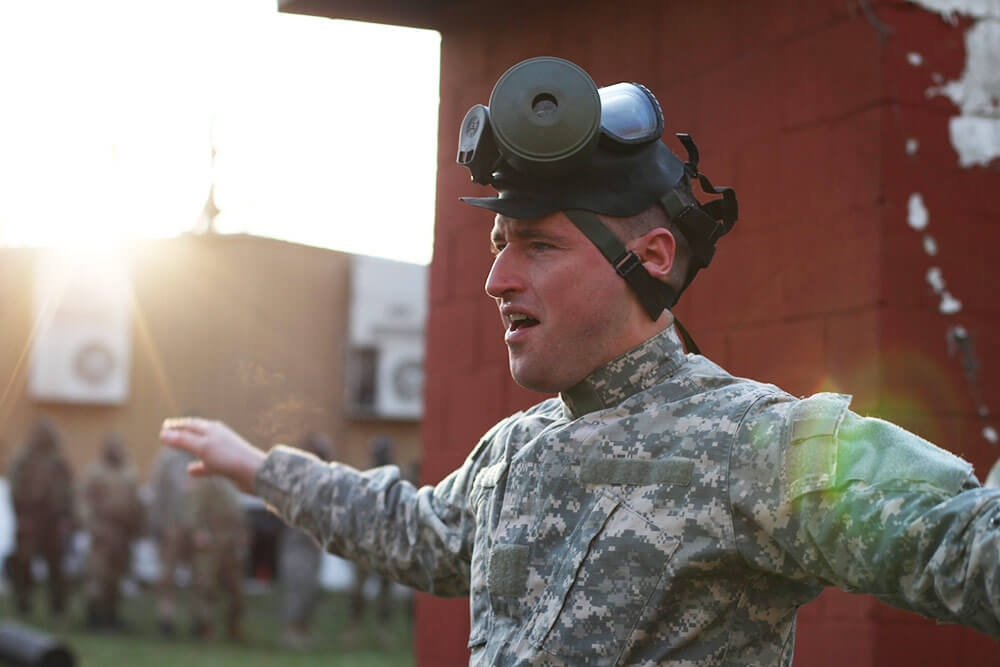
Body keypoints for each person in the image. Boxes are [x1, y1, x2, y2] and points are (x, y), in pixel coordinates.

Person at [161, 56, 1000, 665]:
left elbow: (969, 549)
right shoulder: (510, 451)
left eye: (536, 245)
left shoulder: (762, 443)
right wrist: (261, 467)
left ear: (655, 255)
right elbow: (416, 531)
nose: (495, 278)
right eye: (497, 243)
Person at [4, 418, 74, 618]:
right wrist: (22, 515)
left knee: (56, 564)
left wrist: (66, 518)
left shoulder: (59, 461)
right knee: (23, 562)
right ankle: (22, 603)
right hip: (30, 519)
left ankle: (58, 608)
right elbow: (14, 488)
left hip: (53, 520)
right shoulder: (24, 459)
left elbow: (68, 491)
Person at [79, 433, 144, 631]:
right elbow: (84, 502)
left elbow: (136, 503)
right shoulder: (95, 472)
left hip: (123, 533)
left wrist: (137, 527)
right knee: (98, 575)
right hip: (102, 531)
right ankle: (94, 617)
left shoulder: (129, 473)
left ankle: (112, 616)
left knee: (117, 577)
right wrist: (92, 526)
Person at [277, 432, 333, 649]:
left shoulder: (320, 479)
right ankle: (290, 632)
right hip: (297, 546)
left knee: (310, 589)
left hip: (311, 547)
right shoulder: (298, 478)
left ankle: (302, 630)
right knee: (297, 590)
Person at [180, 474, 248, 640]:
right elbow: (192, 508)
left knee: (235, 587)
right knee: (205, 586)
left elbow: (239, 513)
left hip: (230, 540)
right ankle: (204, 627)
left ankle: (234, 627)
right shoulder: (203, 480)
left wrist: (242, 536)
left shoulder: (233, 481)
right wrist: (197, 531)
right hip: (211, 540)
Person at [343, 436, 396, 647]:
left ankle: (384, 631)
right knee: (358, 590)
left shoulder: (396, 477)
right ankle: (354, 628)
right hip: (364, 542)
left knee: (386, 591)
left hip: (387, 543)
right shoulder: (363, 476)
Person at [147, 445, 195, 636]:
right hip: (172, 526)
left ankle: (199, 620)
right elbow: (158, 493)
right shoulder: (167, 459)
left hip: (196, 528)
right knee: (168, 577)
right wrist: (158, 525)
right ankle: (166, 618)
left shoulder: (203, 458)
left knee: (202, 576)